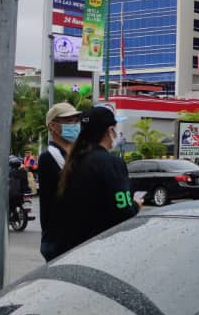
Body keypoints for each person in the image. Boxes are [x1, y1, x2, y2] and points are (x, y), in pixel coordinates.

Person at [51, 105, 140, 259]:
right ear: (109, 130)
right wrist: (136, 205)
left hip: (73, 249)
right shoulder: (111, 162)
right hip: (102, 250)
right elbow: (124, 212)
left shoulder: (73, 161)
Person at [38, 102, 82, 261]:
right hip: (59, 242)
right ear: (53, 126)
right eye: (68, 121)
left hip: (79, 239)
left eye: (76, 120)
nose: (75, 125)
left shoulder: (79, 154)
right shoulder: (50, 157)